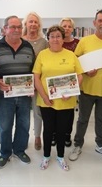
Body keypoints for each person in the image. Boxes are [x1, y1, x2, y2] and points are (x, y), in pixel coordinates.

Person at [68, 9, 102, 161]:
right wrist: (85, 71)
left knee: (101, 120)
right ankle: (78, 145)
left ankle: (100, 145)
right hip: (86, 90)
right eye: (100, 20)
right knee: (82, 119)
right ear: (94, 23)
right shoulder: (85, 41)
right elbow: (75, 62)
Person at [33, 25, 83, 171]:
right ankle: (46, 156)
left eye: (58, 36)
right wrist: (43, 96)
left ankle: (61, 156)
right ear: (48, 39)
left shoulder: (71, 55)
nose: (55, 39)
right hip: (46, 100)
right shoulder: (42, 54)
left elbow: (79, 76)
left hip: (66, 100)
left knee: (62, 130)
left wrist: (71, 92)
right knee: (48, 129)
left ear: (63, 39)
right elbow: (36, 77)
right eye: (52, 36)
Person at [0, 15, 35, 169]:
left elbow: (33, 70)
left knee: (24, 124)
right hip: (4, 95)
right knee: (5, 125)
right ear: (5, 29)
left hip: (24, 95)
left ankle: (20, 150)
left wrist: (32, 86)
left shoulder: (28, 46)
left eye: (19, 27)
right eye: (12, 27)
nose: (16, 30)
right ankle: (5, 152)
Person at [22, 12, 48, 151]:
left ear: (39, 25)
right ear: (25, 24)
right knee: (23, 112)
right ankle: (23, 138)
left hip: (38, 81)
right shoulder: (20, 39)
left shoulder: (44, 42)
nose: (33, 24)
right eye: (30, 21)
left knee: (37, 111)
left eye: (35, 22)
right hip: (22, 82)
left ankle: (37, 137)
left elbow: (46, 61)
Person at [58, 17, 80, 147]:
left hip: (72, 82)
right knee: (55, 109)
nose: (66, 28)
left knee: (69, 110)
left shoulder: (78, 43)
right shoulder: (54, 42)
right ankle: (55, 134)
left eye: (69, 26)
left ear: (73, 28)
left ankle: (67, 134)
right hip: (55, 81)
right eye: (64, 26)